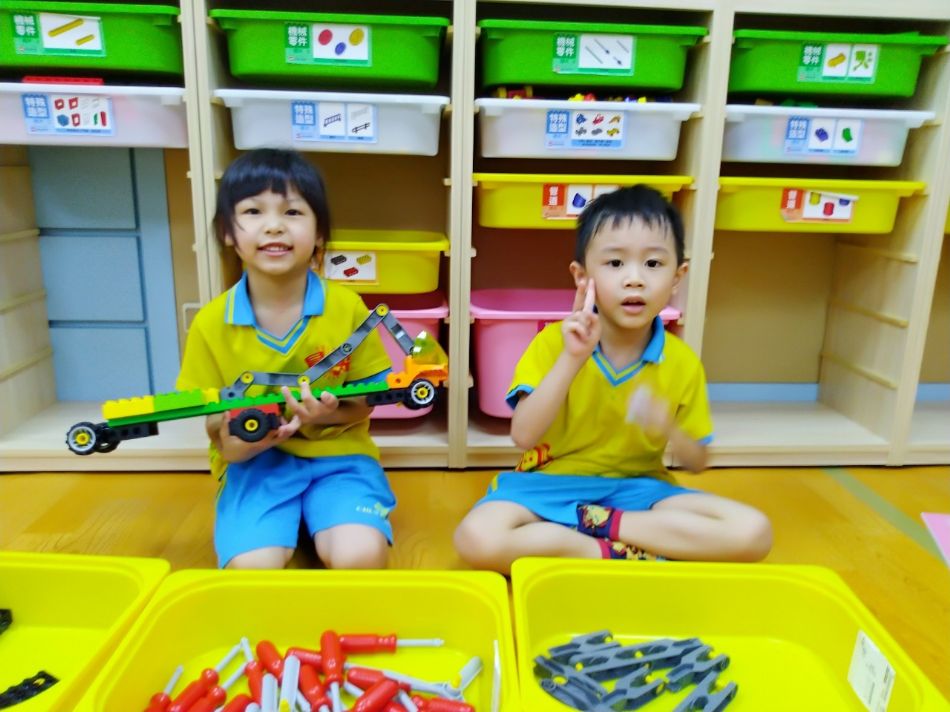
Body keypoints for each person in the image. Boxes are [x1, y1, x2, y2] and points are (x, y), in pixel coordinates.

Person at [454, 185, 772, 574]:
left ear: (678, 276)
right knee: (476, 538)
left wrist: (669, 427)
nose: (634, 279)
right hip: (548, 487)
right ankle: (620, 553)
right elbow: (523, 436)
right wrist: (573, 359)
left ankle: (603, 530)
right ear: (582, 277)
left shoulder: (682, 361)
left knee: (753, 531)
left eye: (653, 264)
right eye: (615, 263)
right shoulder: (554, 342)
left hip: (640, 493)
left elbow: (697, 461)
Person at [177, 149, 395, 570]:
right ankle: (283, 522)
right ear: (227, 232)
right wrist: (244, 443)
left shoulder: (347, 308)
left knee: (360, 557)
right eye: (253, 211)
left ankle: (324, 516)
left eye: (293, 212)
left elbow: (366, 401)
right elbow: (215, 427)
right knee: (252, 569)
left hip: (340, 459)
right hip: (256, 467)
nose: (274, 225)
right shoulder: (211, 323)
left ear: (319, 234)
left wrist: (327, 414)